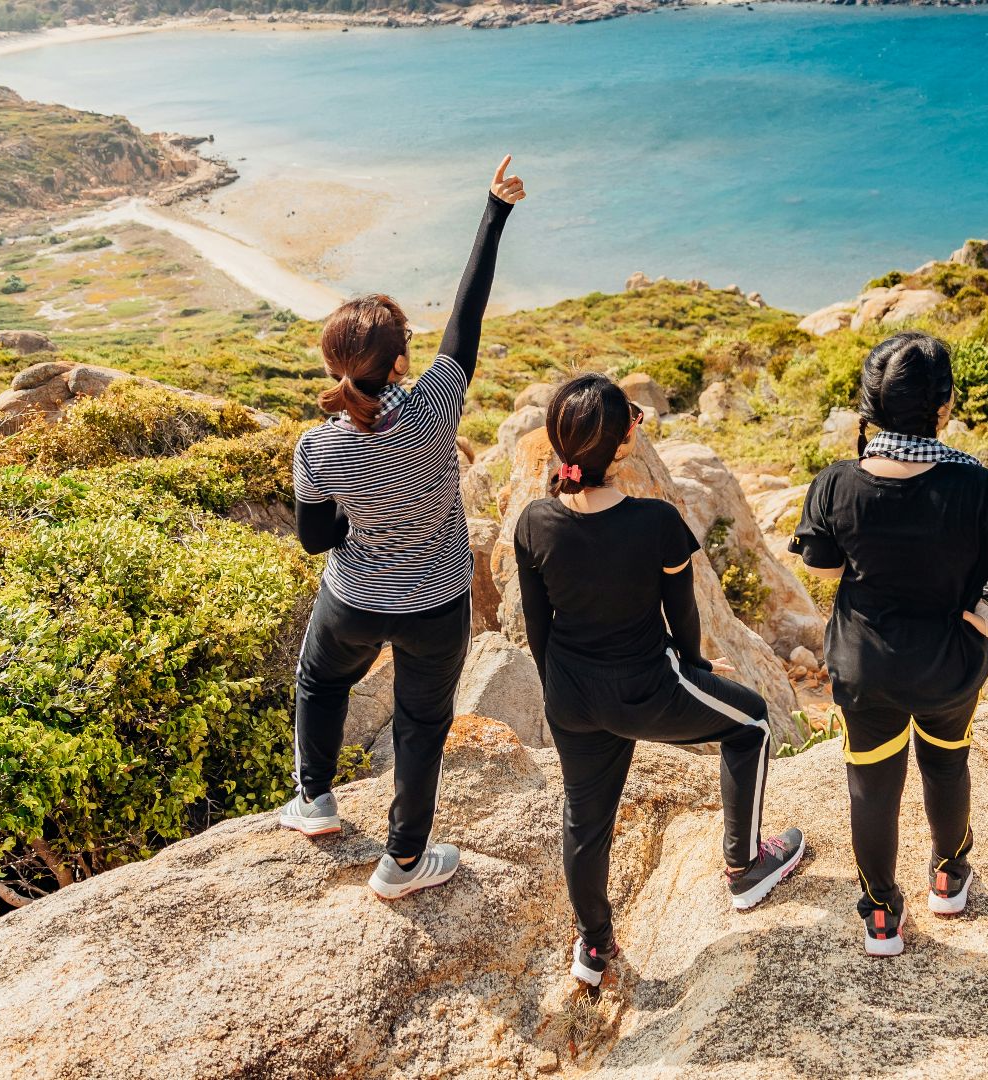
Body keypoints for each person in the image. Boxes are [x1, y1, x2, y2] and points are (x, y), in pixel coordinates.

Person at [277, 156, 527, 901]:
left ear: (332, 362)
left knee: (320, 682)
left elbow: (316, 542)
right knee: (421, 727)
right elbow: (468, 318)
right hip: (436, 604)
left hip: (353, 598)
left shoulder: (318, 445)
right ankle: (405, 862)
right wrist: (494, 210)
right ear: (403, 361)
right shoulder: (436, 407)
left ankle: (314, 801)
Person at [514, 374, 805, 987]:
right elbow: (683, 616)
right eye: (633, 423)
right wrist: (696, 669)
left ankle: (593, 949)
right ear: (622, 446)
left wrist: (562, 691)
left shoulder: (535, 522)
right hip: (645, 687)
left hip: (570, 692)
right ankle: (747, 866)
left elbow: (538, 627)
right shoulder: (655, 522)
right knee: (750, 722)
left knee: (585, 820)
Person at [792, 332, 988, 957]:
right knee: (947, 762)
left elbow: (825, 570)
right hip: (951, 665)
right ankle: (948, 876)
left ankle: (882, 915)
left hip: (866, 670)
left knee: (872, 786)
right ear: (944, 408)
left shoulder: (835, 484)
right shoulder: (980, 488)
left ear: (869, 406)